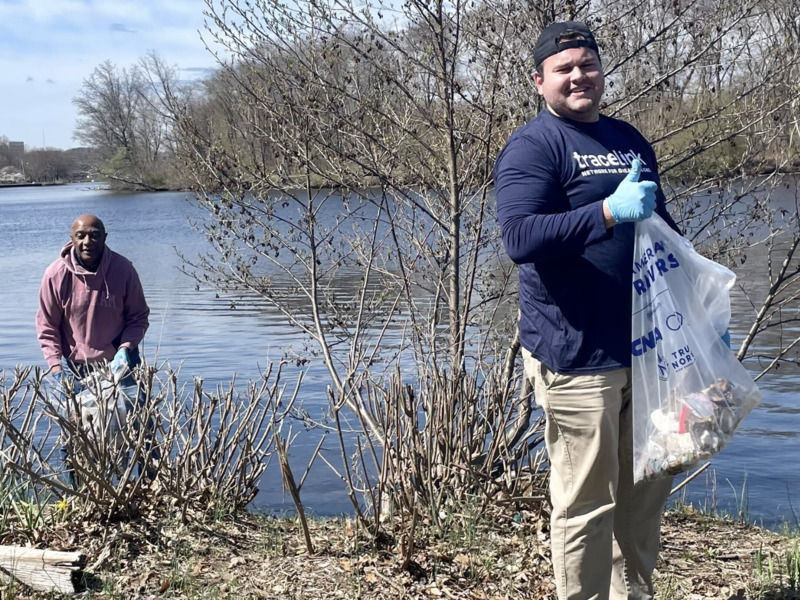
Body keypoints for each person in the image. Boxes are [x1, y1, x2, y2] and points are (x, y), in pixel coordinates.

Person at [494, 21, 683, 600]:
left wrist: (700, 308)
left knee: (644, 495)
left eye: (587, 64)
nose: (579, 76)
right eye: (564, 68)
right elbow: (520, 237)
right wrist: (606, 212)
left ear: (602, 70)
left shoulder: (628, 139)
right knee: (584, 505)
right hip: (578, 357)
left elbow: (660, 228)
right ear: (539, 82)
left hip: (647, 351)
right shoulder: (534, 147)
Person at [36, 214, 150, 483]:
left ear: (105, 238)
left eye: (95, 235)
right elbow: (47, 326)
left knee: (140, 428)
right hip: (74, 368)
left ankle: (149, 488)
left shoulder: (123, 270)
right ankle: (81, 495)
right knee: (76, 435)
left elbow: (138, 317)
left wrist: (125, 348)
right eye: (81, 235)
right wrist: (55, 365)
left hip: (121, 363)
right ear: (72, 238)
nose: (88, 241)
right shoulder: (56, 274)